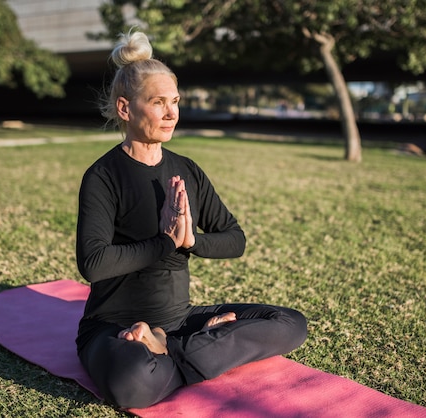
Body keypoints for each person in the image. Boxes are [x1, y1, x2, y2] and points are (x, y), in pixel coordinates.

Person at [75, 30, 307, 409]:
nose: (172, 113)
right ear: (124, 109)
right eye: (158, 102)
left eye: (175, 102)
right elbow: (94, 264)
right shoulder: (103, 176)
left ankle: (172, 348)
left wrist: (192, 242)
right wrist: (165, 241)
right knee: (129, 383)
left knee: (291, 323)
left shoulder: (187, 170)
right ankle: (187, 351)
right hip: (115, 329)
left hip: (181, 321)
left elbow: (235, 239)